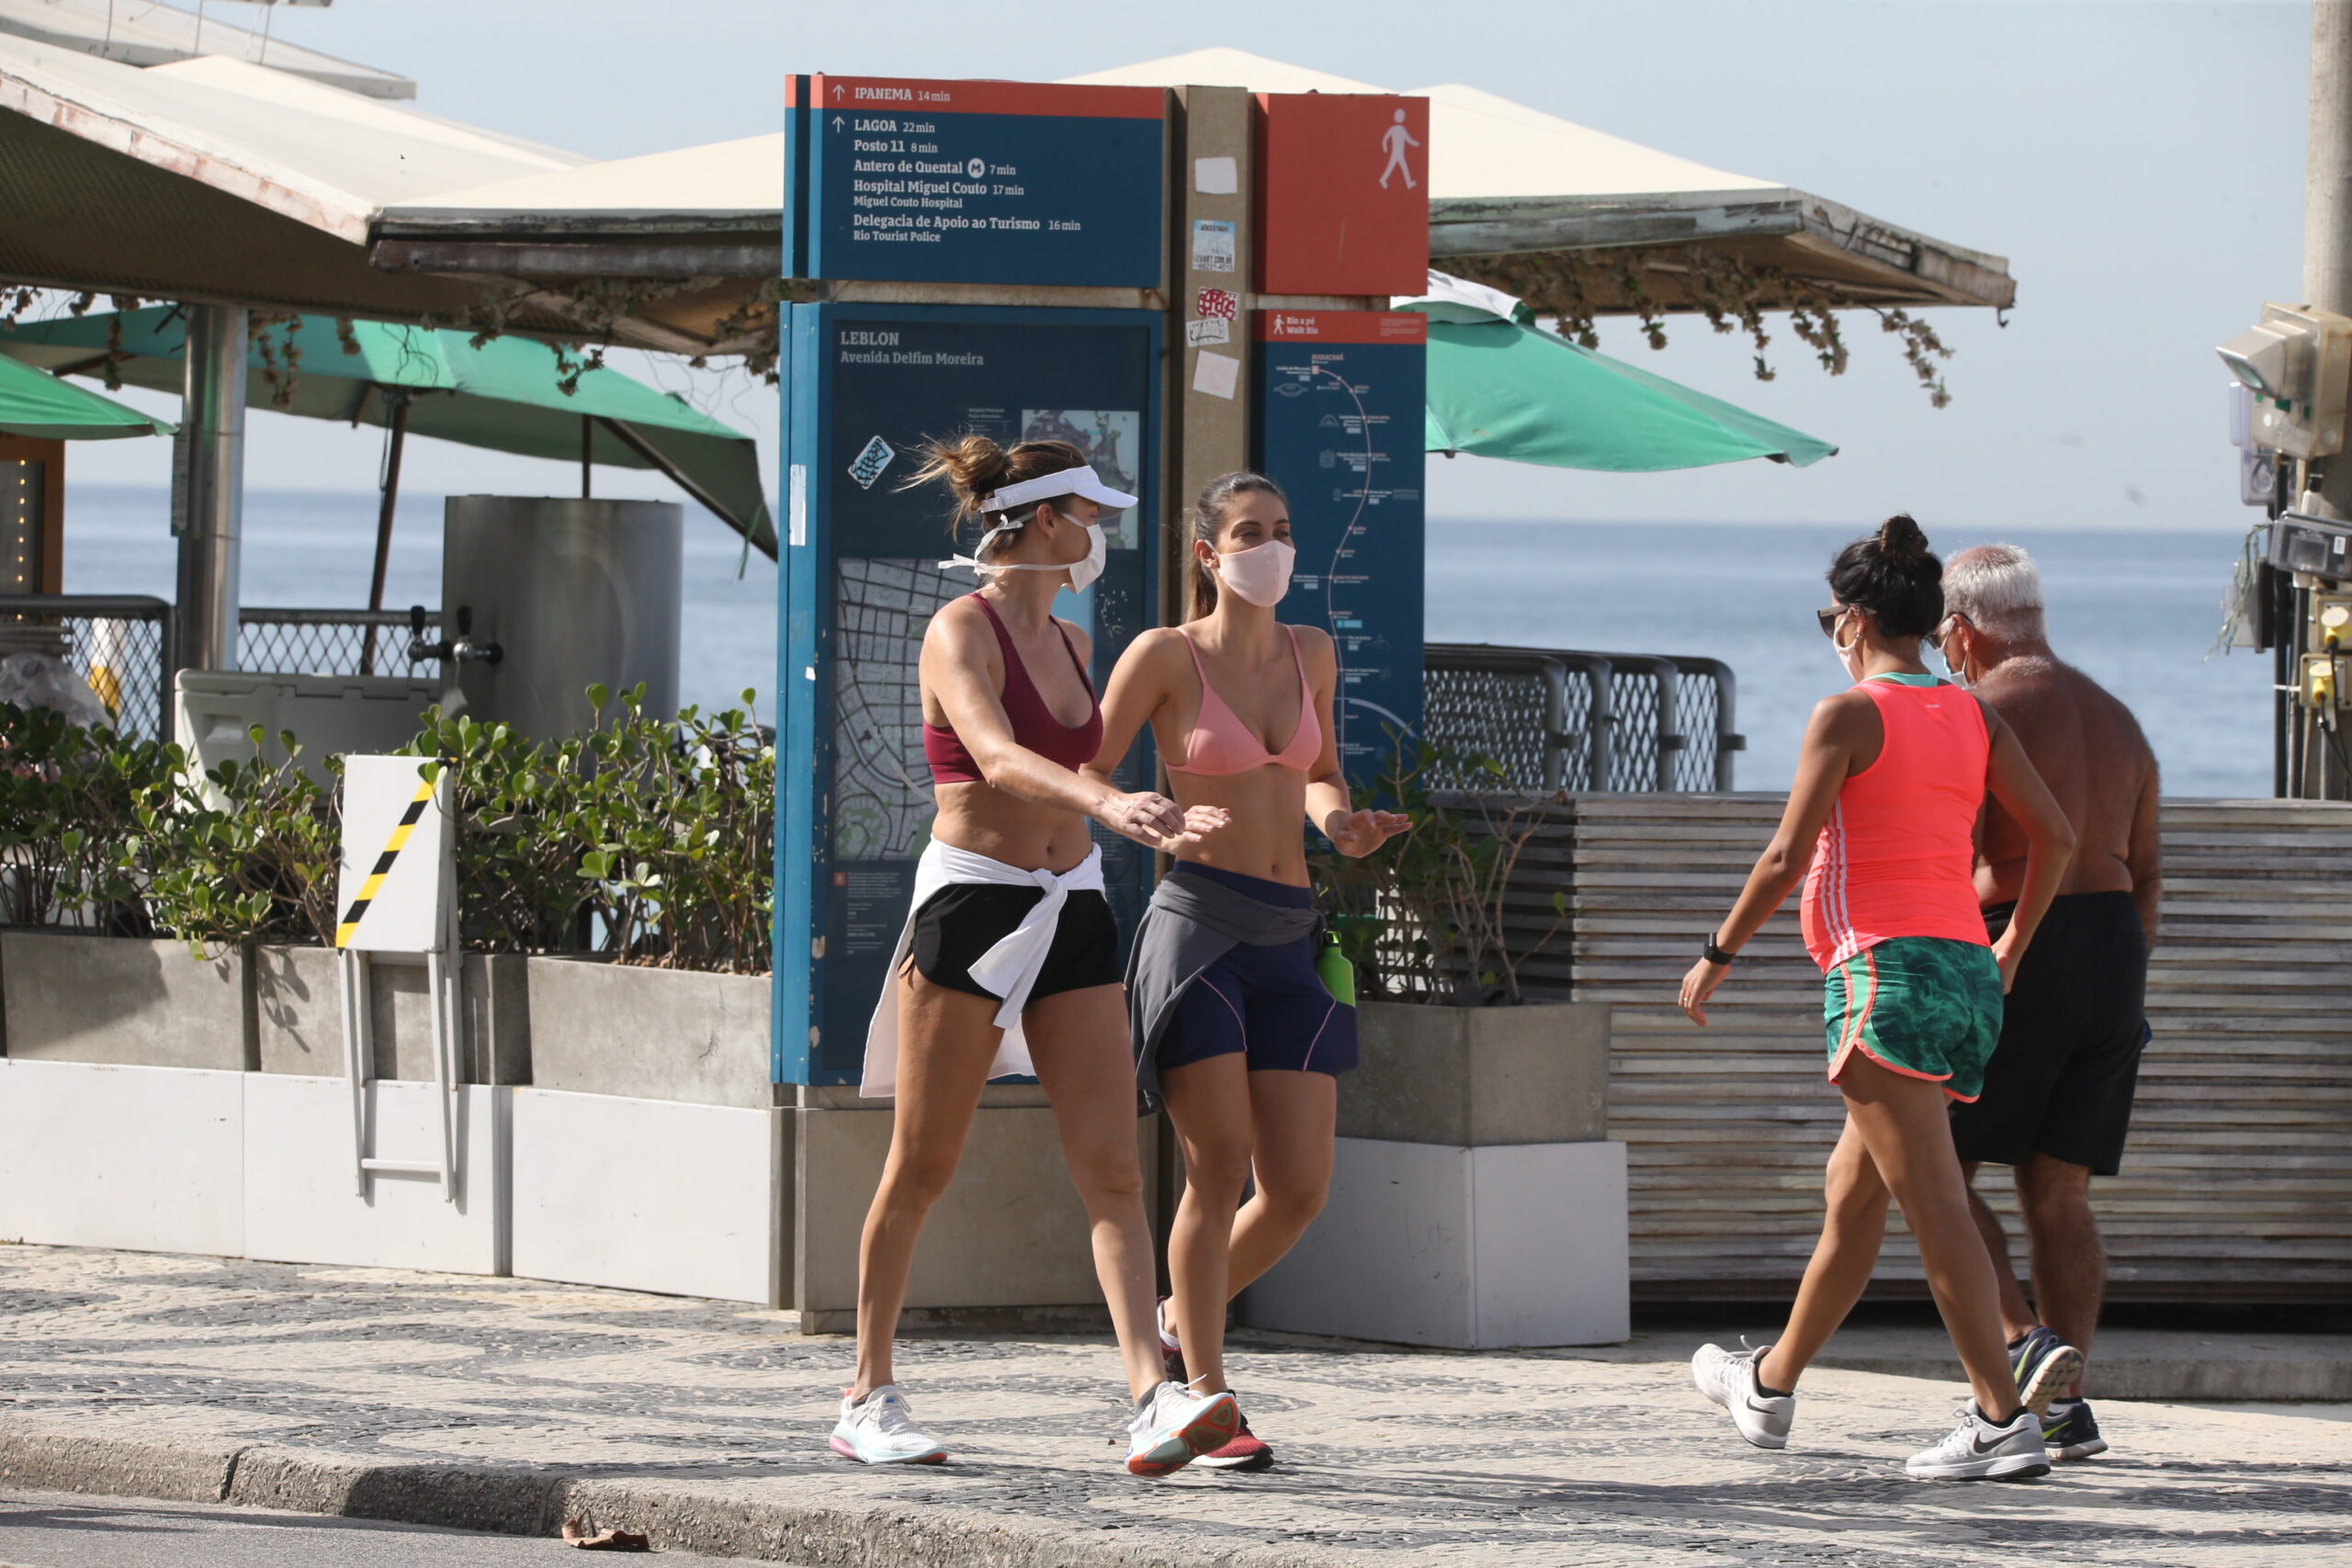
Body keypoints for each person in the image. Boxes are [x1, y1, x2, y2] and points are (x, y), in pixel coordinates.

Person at [831, 436, 1241, 1477]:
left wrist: (1154, 822)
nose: (1099, 531)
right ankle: (866, 1393)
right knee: (923, 1163)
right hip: (972, 906)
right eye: (1089, 514)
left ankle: (1152, 1396)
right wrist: (1110, 799)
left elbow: (1087, 767)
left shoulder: (1068, 639)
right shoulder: (954, 631)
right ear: (1043, 522)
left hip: (1075, 907)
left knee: (1110, 1164)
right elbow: (999, 757)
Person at [1679, 515, 2078, 1481]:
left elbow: (1784, 855)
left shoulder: (1846, 714)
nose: (1830, 633)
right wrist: (2011, 946)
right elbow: (2056, 837)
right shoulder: (1970, 712)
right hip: (1961, 979)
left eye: (1829, 618)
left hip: (1882, 979)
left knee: (1934, 1209)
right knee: (1851, 1201)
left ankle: (1998, 1422)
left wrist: (1715, 951)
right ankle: (1768, 1387)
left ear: (1855, 621)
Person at [1088, 471, 1410, 1472]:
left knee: (1300, 1188)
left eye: (1280, 529)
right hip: (1198, 931)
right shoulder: (1164, 655)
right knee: (1216, 1167)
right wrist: (1152, 813)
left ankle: (1182, 1318)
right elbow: (1085, 770)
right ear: (1207, 555)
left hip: (1292, 936)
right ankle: (1208, 1401)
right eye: (1247, 533)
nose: (1269, 547)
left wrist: (1341, 824)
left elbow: (1315, 773)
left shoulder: (1313, 649)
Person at [1938, 544, 2161, 1462]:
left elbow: (1942, 855)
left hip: (2014, 938)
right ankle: (2068, 1409)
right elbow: (2147, 877)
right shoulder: (2117, 720)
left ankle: (2026, 1345)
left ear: (1961, 630)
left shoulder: (1972, 713)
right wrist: (2108, 976)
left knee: (1930, 1168)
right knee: (2058, 1194)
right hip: (2113, 951)